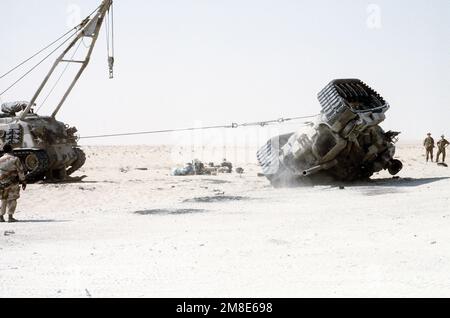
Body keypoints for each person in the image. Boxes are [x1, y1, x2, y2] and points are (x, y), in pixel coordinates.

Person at [0, 144, 26, 223]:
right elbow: (20, 171)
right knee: (12, 199)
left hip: (1, 183)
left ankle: (1, 217)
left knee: (3, 199)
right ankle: (10, 217)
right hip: (12, 182)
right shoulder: (15, 159)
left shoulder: (0, 159)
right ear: (11, 150)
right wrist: (23, 181)